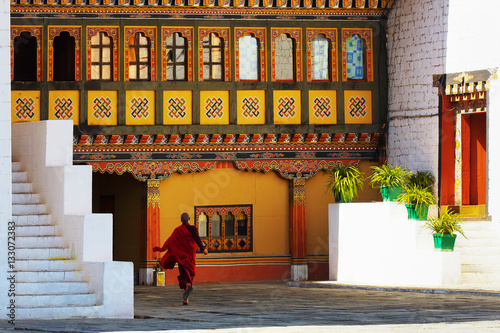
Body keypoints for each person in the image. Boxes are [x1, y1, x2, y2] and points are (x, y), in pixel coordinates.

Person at [153, 212, 208, 305]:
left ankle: (186, 291)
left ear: (181, 220)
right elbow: (197, 239)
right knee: (190, 274)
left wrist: (163, 249)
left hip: (181, 258)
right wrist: (203, 249)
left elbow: (170, 241)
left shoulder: (177, 230)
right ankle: (187, 293)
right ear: (189, 218)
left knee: (184, 275)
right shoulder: (193, 228)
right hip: (190, 257)